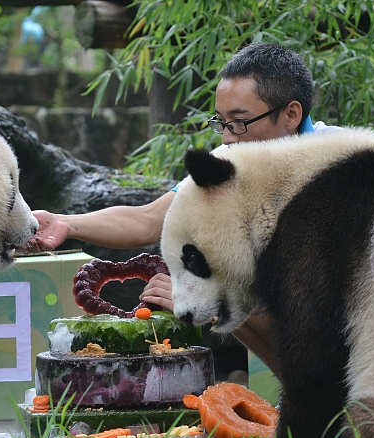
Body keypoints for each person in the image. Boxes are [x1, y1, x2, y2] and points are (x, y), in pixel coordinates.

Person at [23, 42, 340, 381]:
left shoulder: (337, 170)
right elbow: (147, 220)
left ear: (291, 115)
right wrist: (65, 224)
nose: (228, 138)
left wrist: (202, 296)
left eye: (240, 122)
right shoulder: (229, 161)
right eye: (222, 122)